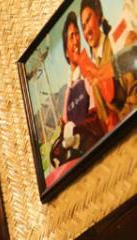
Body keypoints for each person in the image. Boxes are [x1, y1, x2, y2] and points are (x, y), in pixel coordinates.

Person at [52, 12, 107, 167]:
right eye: (71, 37)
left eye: (77, 34)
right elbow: (65, 129)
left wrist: (77, 132)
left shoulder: (88, 70)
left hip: (95, 151)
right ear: (65, 51)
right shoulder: (68, 89)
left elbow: (96, 114)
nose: (76, 40)